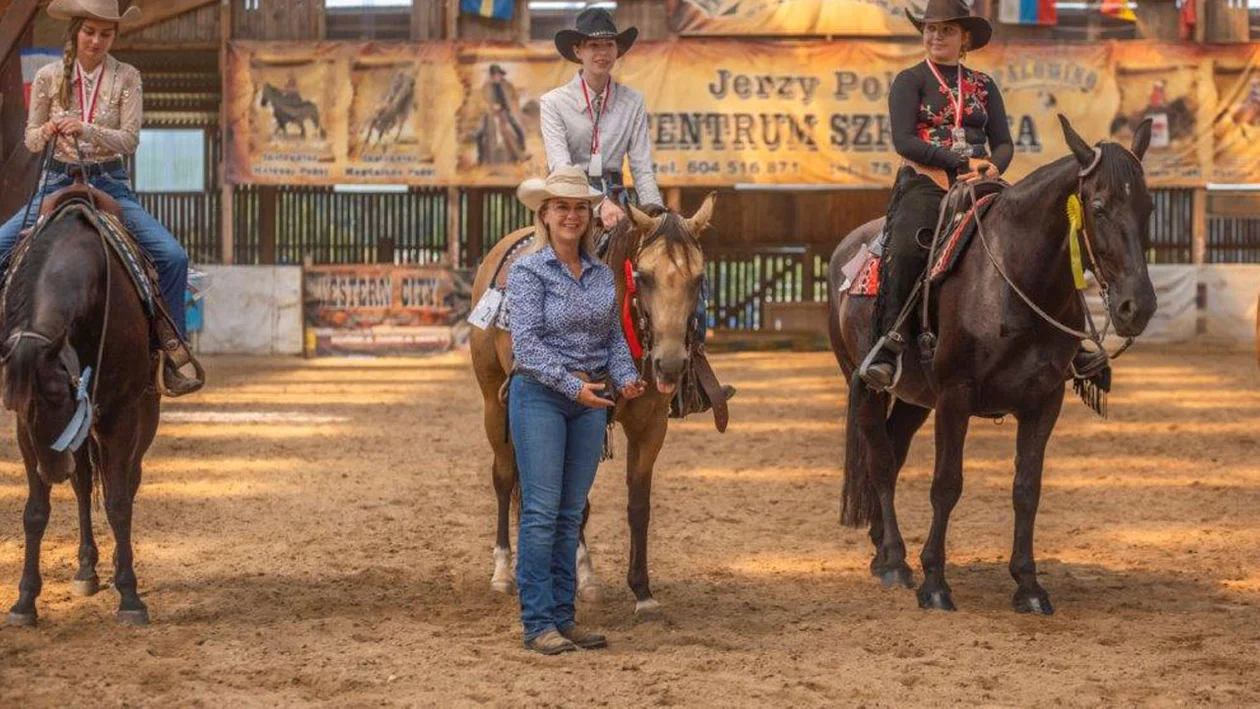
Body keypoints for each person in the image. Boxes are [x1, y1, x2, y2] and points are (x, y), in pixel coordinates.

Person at [0, 0, 200, 396]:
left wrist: (86, 129)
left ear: (114, 36)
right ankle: (12, 338)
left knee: (173, 255)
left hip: (110, 183)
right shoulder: (47, 76)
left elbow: (130, 139)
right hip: (54, 181)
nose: (96, 40)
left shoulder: (127, 76)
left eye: (105, 34)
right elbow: (30, 135)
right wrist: (50, 131)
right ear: (75, 31)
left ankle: (172, 348)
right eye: (89, 31)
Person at [541, 7, 735, 406]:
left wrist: (662, 221)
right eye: (593, 45)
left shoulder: (631, 101)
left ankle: (691, 373)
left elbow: (643, 167)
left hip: (625, 202)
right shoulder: (554, 103)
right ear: (578, 50)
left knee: (682, 270)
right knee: (543, 267)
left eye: (608, 45)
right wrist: (596, 206)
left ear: (617, 50)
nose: (602, 53)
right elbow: (560, 165)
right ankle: (534, 369)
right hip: (567, 199)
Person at [507, 165, 648, 654]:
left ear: (589, 217)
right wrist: (573, 387)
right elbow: (526, 345)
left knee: (570, 514)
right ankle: (537, 621)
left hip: (590, 402)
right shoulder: (527, 271)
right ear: (544, 215)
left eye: (580, 208)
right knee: (542, 512)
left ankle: (564, 619)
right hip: (543, 397)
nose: (572, 216)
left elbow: (611, 337)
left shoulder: (599, 276)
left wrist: (627, 376)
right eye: (562, 207)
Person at [860, 0, 1013, 391]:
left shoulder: (983, 85)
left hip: (982, 178)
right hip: (927, 179)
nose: (935, 36)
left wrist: (994, 166)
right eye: (930, 29)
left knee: (1035, 232)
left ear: (964, 38)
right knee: (910, 246)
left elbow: (1004, 143)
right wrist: (956, 162)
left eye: (945, 30)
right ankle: (891, 342)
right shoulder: (910, 80)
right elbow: (904, 140)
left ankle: (1072, 338)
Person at [477, 64, 528, 164]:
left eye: (498, 75)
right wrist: (492, 106)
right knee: (480, 134)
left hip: (505, 112)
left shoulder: (507, 85)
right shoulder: (486, 86)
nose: (497, 77)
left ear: (501, 75)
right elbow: (483, 101)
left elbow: (513, 98)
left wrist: (511, 107)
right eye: (495, 75)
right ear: (491, 76)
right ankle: (481, 158)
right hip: (490, 113)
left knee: (517, 130)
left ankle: (521, 151)